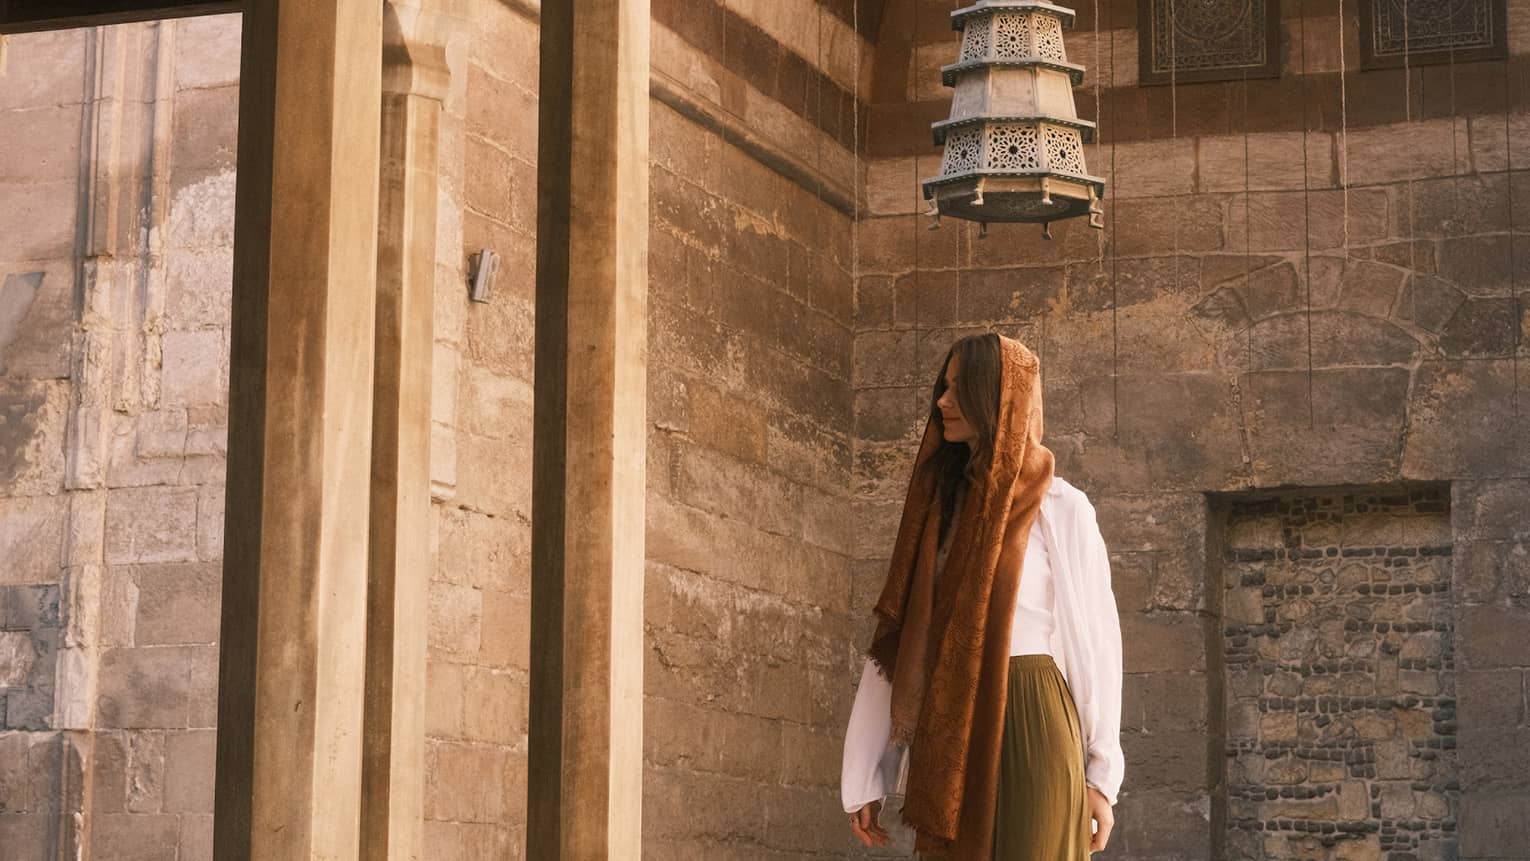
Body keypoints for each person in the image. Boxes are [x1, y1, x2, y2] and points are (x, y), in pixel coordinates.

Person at [840, 332, 1124, 860]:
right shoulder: (938, 512)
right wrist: (867, 772)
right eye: (942, 389)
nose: (943, 403)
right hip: (951, 721)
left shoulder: (1062, 508)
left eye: (959, 389)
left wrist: (1102, 777)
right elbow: (903, 644)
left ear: (997, 398)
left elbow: (1099, 643)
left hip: (1033, 711)